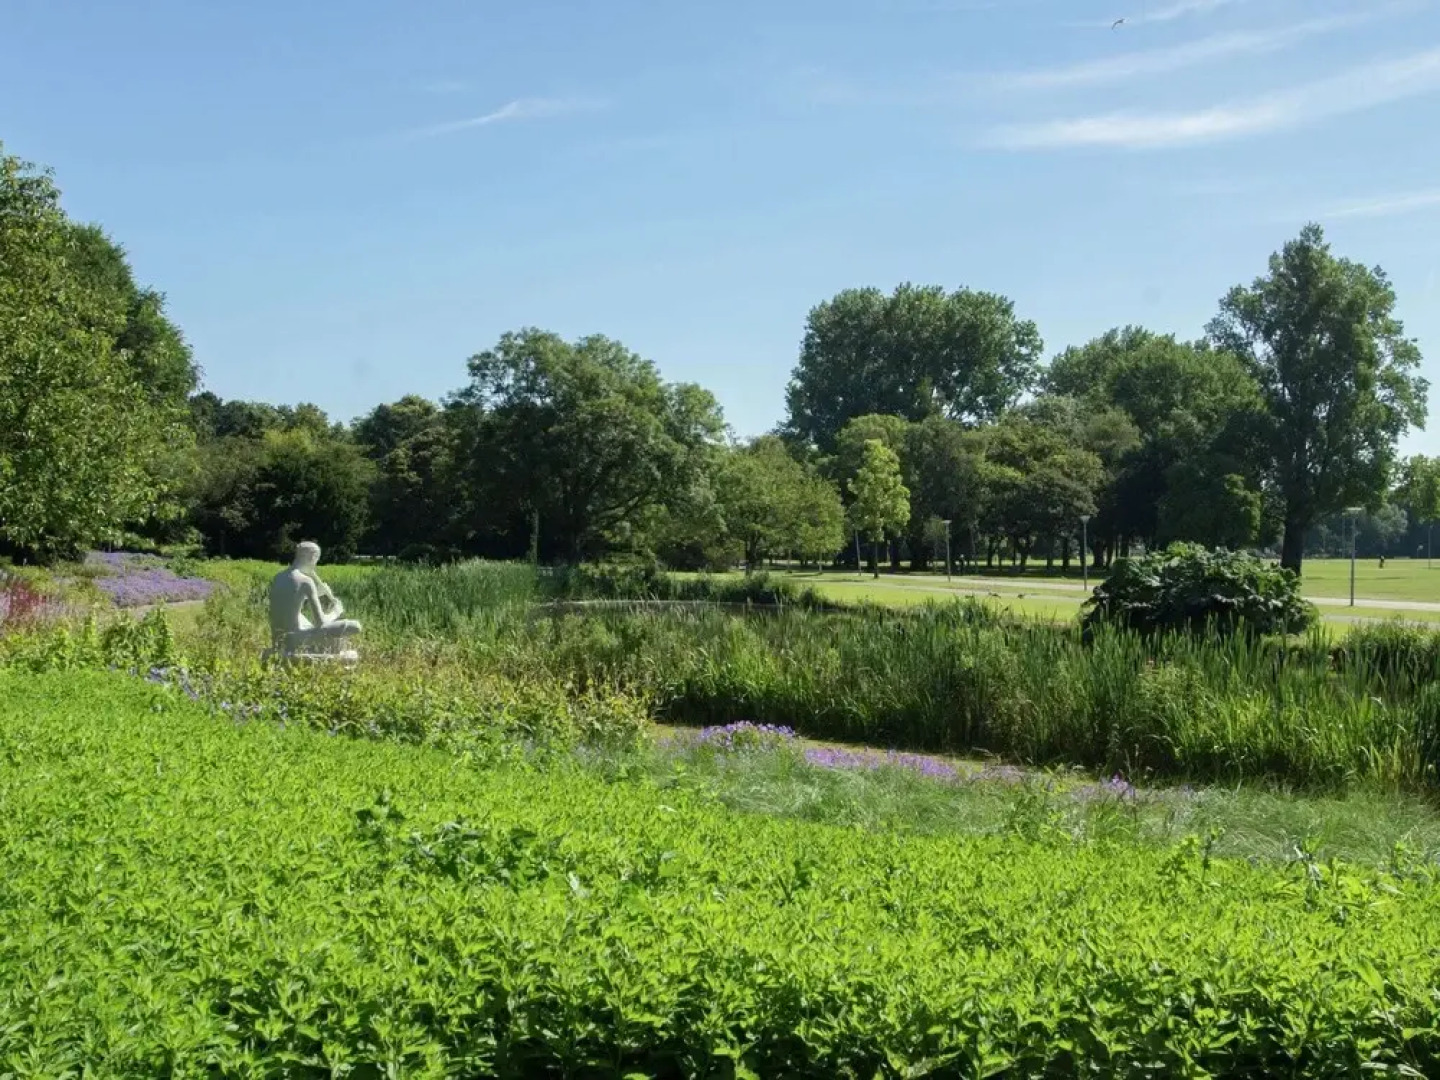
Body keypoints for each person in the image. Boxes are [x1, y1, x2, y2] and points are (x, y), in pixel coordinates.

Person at [267, 541, 362, 658]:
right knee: (355, 626)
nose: (315, 565)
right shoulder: (306, 581)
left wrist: (316, 594)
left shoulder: (278, 578)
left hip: (279, 639)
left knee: (335, 640)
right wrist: (336, 611)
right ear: (312, 557)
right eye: (316, 560)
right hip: (296, 638)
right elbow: (321, 623)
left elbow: (291, 602)